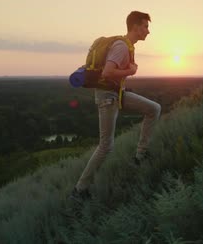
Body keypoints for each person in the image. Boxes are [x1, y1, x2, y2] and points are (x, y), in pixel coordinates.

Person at [69, 11, 162, 202]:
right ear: (135, 27)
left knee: (153, 109)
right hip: (107, 97)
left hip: (117, 94)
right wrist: (131, 70)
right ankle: (79, 190)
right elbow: (108, 72)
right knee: (106, 146)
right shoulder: (121, 46)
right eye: (145, 26)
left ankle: (141, 155)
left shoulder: (126, 45)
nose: (148, 31)